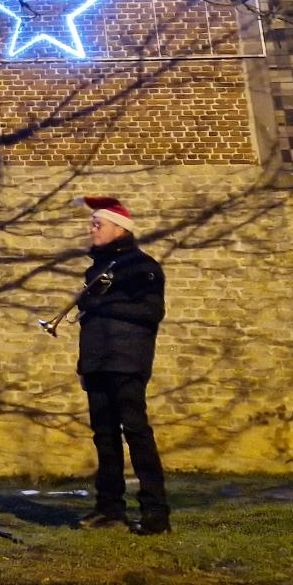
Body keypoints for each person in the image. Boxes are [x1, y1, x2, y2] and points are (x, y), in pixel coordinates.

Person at [71, 196, 170, 535]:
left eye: (97, 224)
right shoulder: (96, 270)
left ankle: (156, 512)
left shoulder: (143, 267)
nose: (92, 229)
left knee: (137, 433)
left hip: (127, 361)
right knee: (104, 437)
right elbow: (90, 322)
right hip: (98, 361)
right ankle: (109, 508)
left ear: (119, 229)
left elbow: (151, 312)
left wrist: (102, 303)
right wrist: (84, 364)